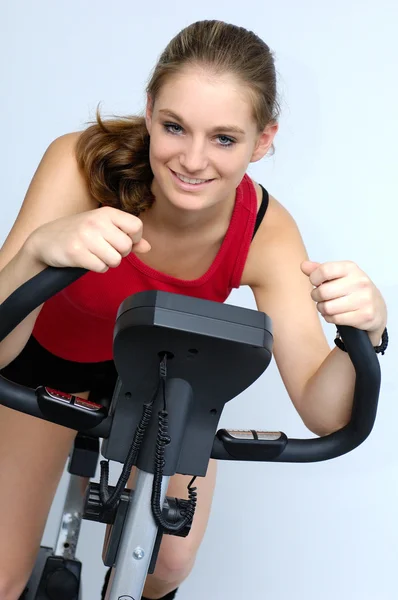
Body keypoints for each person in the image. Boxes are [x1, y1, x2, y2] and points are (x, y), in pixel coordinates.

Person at [0, 19, 388, 600]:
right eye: (175, 127)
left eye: (225, 139)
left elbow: (323, 409)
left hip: (166, 385)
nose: (193, 160)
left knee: (168, 559)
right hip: (44, 362)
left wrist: (364, 334)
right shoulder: (82, 165)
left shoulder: (265, 230)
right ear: (151, 110)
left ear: (263, 140)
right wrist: (36, 253)